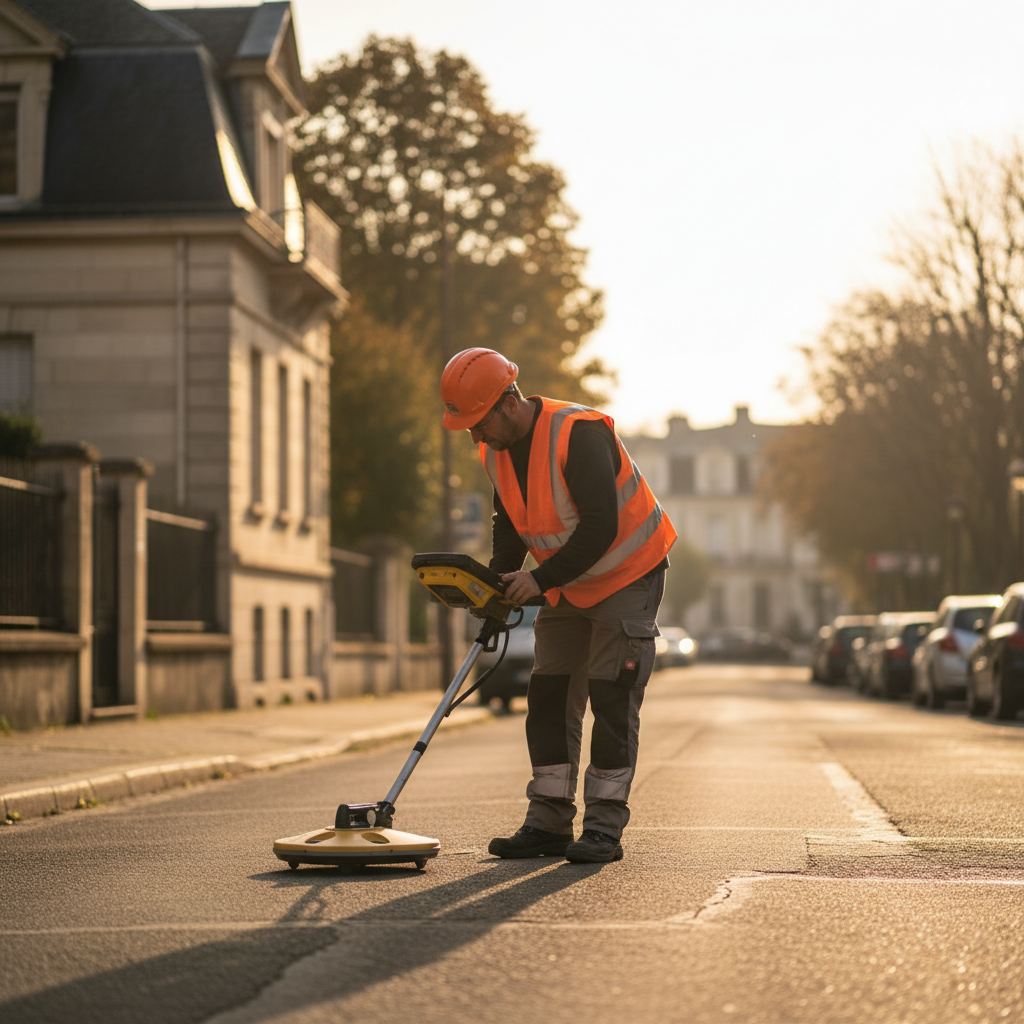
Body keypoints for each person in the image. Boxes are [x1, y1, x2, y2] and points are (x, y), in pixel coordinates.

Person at [440, 348, 676, 864]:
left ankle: (604, 829)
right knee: (547, 696)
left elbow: (600, 526)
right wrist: (500, 578)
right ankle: (548, 822)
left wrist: (540, 579)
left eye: (478, 423)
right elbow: (511, 522)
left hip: (627, 574)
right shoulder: (494, 452)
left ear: (508, 402)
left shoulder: (580, 433)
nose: (475, 436)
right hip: (568, 585)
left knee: (611, 696)